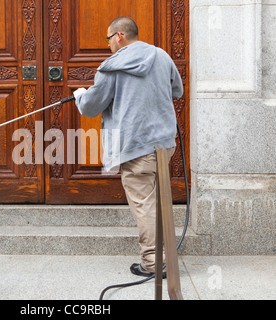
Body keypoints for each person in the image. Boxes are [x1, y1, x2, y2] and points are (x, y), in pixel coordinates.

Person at [73, 16, 183, 277]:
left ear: (119, 36)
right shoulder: (161, 56)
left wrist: (80, 95)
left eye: (108, 39)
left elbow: (90, 107)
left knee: (145, 204)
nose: (108, 44)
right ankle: (165, 257)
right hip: (164, 144)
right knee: (158, 201)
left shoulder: (112, 67)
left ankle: (154, 263)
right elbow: (176, 90)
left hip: (135, 146)